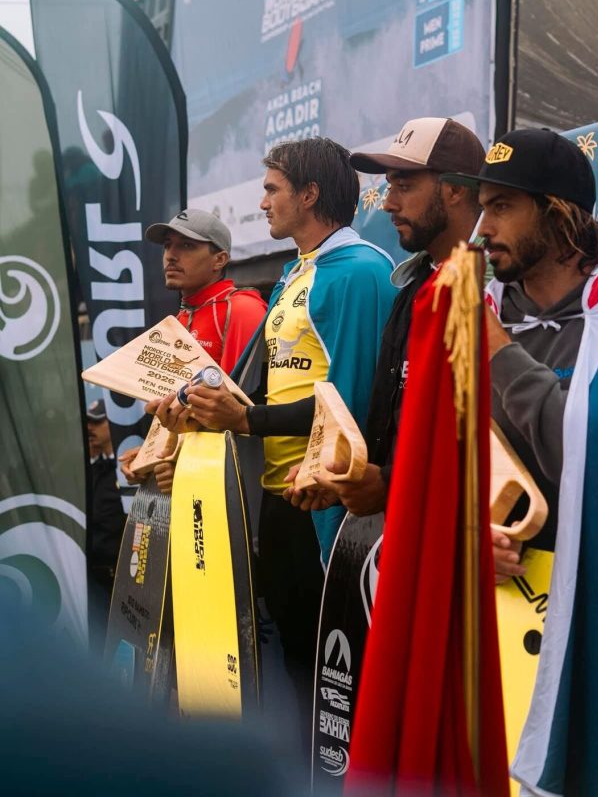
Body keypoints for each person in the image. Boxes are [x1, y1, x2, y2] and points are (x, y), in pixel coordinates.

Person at [148, 137, 396, 740]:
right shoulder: (295, 273)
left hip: (332, 507)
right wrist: (195, 409)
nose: (262, 203)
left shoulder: (359, 272)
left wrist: (247, 420)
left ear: (309, 195)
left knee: (342, 672)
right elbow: (259, 390)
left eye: (271, 189)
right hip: (280, 498)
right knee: (298, 662)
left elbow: (351, 405)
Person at [444, 127, 598, 796]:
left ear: (560, 214)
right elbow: (447, 460)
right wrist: (466, 530)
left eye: (502, 207)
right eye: (481, 207)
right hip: (493, 613)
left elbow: (595, 461)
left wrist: (499, 354)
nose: (483, 228)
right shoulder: (474, 314)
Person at [283, 116, 486, 517]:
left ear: (456, 190)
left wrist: (387, 484)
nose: (388, 203)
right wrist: (348, 478)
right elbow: (391, 421)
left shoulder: (496, 286)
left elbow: (498, 437)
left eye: (403, 186)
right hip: (404, 525)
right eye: (389, 186)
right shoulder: (413, 286)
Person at [119, 208, 267, 485]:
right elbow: (178, 413)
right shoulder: (179, 320)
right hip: (192, 476)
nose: (171, 255)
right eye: (167, 245)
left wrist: (182, 463)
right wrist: (149, 458)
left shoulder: (242, 309)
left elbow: (242, 412)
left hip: (225, 481)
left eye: (186, 246)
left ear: (219, 259)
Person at [86, 398, 126, 648]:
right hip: (92, 579)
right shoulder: (93, 469)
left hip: (120, 581)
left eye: (97, 422)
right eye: (88, 422)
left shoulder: (128, 470)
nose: (90, 427)